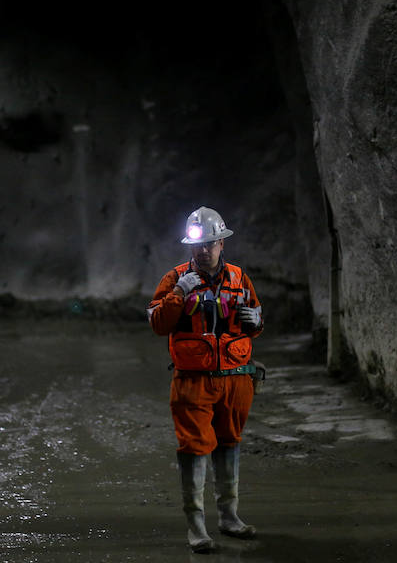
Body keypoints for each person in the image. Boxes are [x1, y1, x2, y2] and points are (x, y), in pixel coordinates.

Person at [147, 206, 263, 553]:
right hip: (192, 382)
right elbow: (158, 323)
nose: (204, 250)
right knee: (194, 449)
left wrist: (255, 320)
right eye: (198, 245)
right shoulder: (175, 278)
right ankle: (196, 525)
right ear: (190, 246)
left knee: (229, 442)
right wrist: (180, 292)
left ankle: (229, 516)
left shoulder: (239, 279)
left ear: (221, 243)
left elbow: (255, 323)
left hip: (235, 379)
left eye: (211, 243)